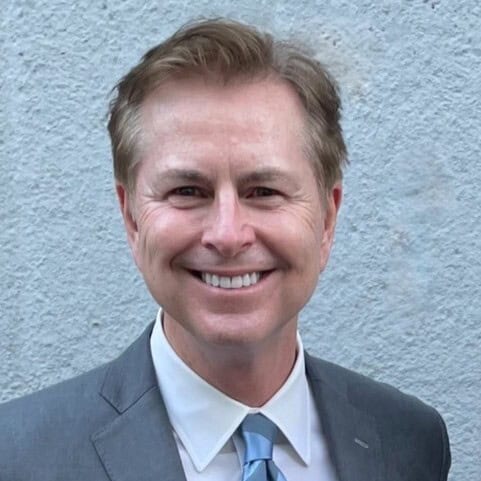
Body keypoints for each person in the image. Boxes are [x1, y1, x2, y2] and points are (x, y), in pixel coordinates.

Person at [0, 18, 450, 481]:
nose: (228, 234)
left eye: (264, 191)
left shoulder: (410, 443)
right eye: (187, 191)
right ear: (132, 218)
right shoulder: (17, 457)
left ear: (327, 220)